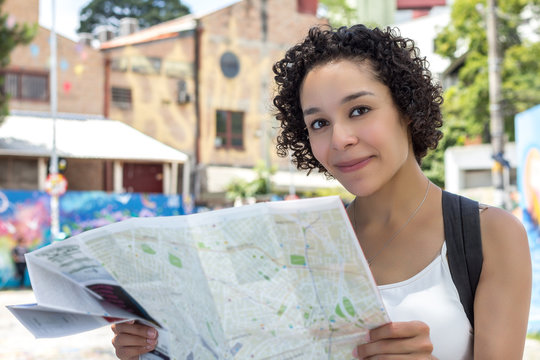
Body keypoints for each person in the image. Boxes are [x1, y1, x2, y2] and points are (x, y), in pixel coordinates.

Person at [110, 24, 532, 360]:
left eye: (359, 110)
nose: (339, 138)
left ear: (406, 109)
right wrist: (156, 347)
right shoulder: (296, 244)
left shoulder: (488, 236)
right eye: (318, 123)